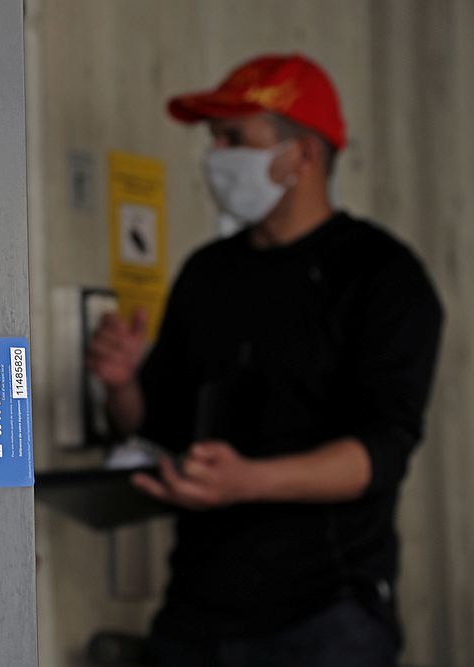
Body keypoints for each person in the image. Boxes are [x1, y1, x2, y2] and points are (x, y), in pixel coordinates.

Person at [88, 53, 443, 667]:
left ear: (301, 156)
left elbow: (381, 450)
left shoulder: (381, 275)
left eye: (233, 139)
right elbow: (157, 427)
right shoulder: (207, 273)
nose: (215, 156)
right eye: (213, 139)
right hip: (196, 613)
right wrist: (122, 386)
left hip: (325, 619)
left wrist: (248, 481)